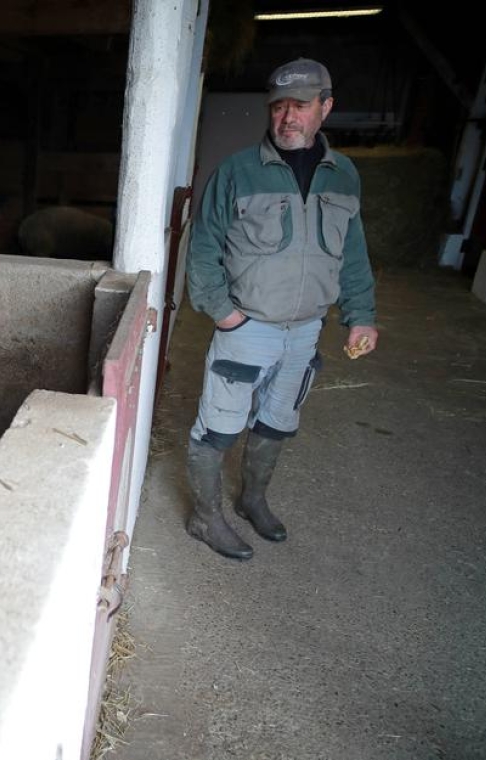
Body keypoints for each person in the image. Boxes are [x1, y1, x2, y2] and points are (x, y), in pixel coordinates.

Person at [184, 58, 379, 560]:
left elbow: (352, 252)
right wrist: (224, 313)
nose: (288, 117)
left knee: (277, 421)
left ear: (326, 108)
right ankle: (206, 519)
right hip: (247, 327)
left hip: (306, 330)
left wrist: (361, 314)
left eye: (301, 105)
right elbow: (203, 249)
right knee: (219, 426)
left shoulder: (345, 176)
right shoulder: (237, 171)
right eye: (278, 107)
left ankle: (252, 500)